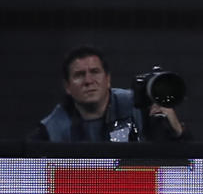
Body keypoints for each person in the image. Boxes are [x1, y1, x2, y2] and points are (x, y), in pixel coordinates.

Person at [29, 45, 189, 142]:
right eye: (79, 75)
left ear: (108, 79)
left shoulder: (139, 106)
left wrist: (178, 132)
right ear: (67, 86)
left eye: (95, 72)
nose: (88, 80)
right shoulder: (52, 128)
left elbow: (182, 161)